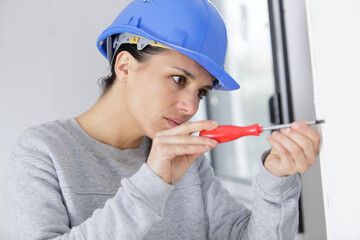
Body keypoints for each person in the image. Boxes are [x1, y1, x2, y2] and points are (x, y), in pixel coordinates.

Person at [5, 0, 321, 239]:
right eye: (178, 79)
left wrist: (276, 182)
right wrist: (153, 183)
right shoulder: (43, 152)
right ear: (125, 66)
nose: (189, 107)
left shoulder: (186, 161)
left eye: (201, 92)